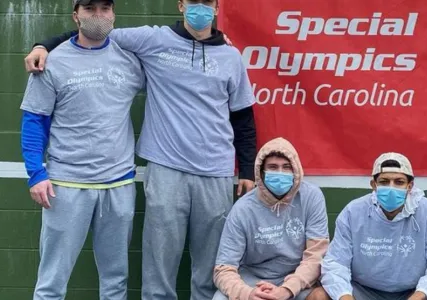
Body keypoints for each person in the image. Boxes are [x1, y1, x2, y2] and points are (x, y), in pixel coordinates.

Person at [22, 0, 258, 298]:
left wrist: (247, 167)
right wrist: (43, 45)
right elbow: (91, 37)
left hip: (177, 177)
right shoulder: (150, 40)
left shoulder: (225, 56)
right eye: (90, 9)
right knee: (61, 281)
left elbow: (241, 115)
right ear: (181, 5)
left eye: (207, 3)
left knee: (180, 275)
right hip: (114, 177)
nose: (98, 16)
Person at [20, 0, 145, 299]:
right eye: (89, 9)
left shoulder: (131, 57)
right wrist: (36, 173)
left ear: (114, 14)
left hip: (119, 184)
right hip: (66, 185)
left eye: (105, 8)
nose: (98, 16)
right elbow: (34, 120)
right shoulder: (52, 61)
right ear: (76, 15)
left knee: (116, 281)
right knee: (51, 282)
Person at [313, 153, 427, 300]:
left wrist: (420, 295)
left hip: (413, 291)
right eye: (384, 182)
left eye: (399, 182)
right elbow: (335, 264)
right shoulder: (353, 212)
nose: (391, 187)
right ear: (373, 185)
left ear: (410, 186)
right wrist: (345, 297)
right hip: (362, 290)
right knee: (319, 296)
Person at [213, 137, 330, 300]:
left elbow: (317, 255)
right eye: (273, 167)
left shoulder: (311, 197)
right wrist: (248, 294)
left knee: (322, 296)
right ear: (261, 172)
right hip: (253, 283)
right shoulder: (243, 209)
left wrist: (287, 289)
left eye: (286, 167)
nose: (280, 173)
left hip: (296, 280)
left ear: (295, 170)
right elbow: (223, 269)